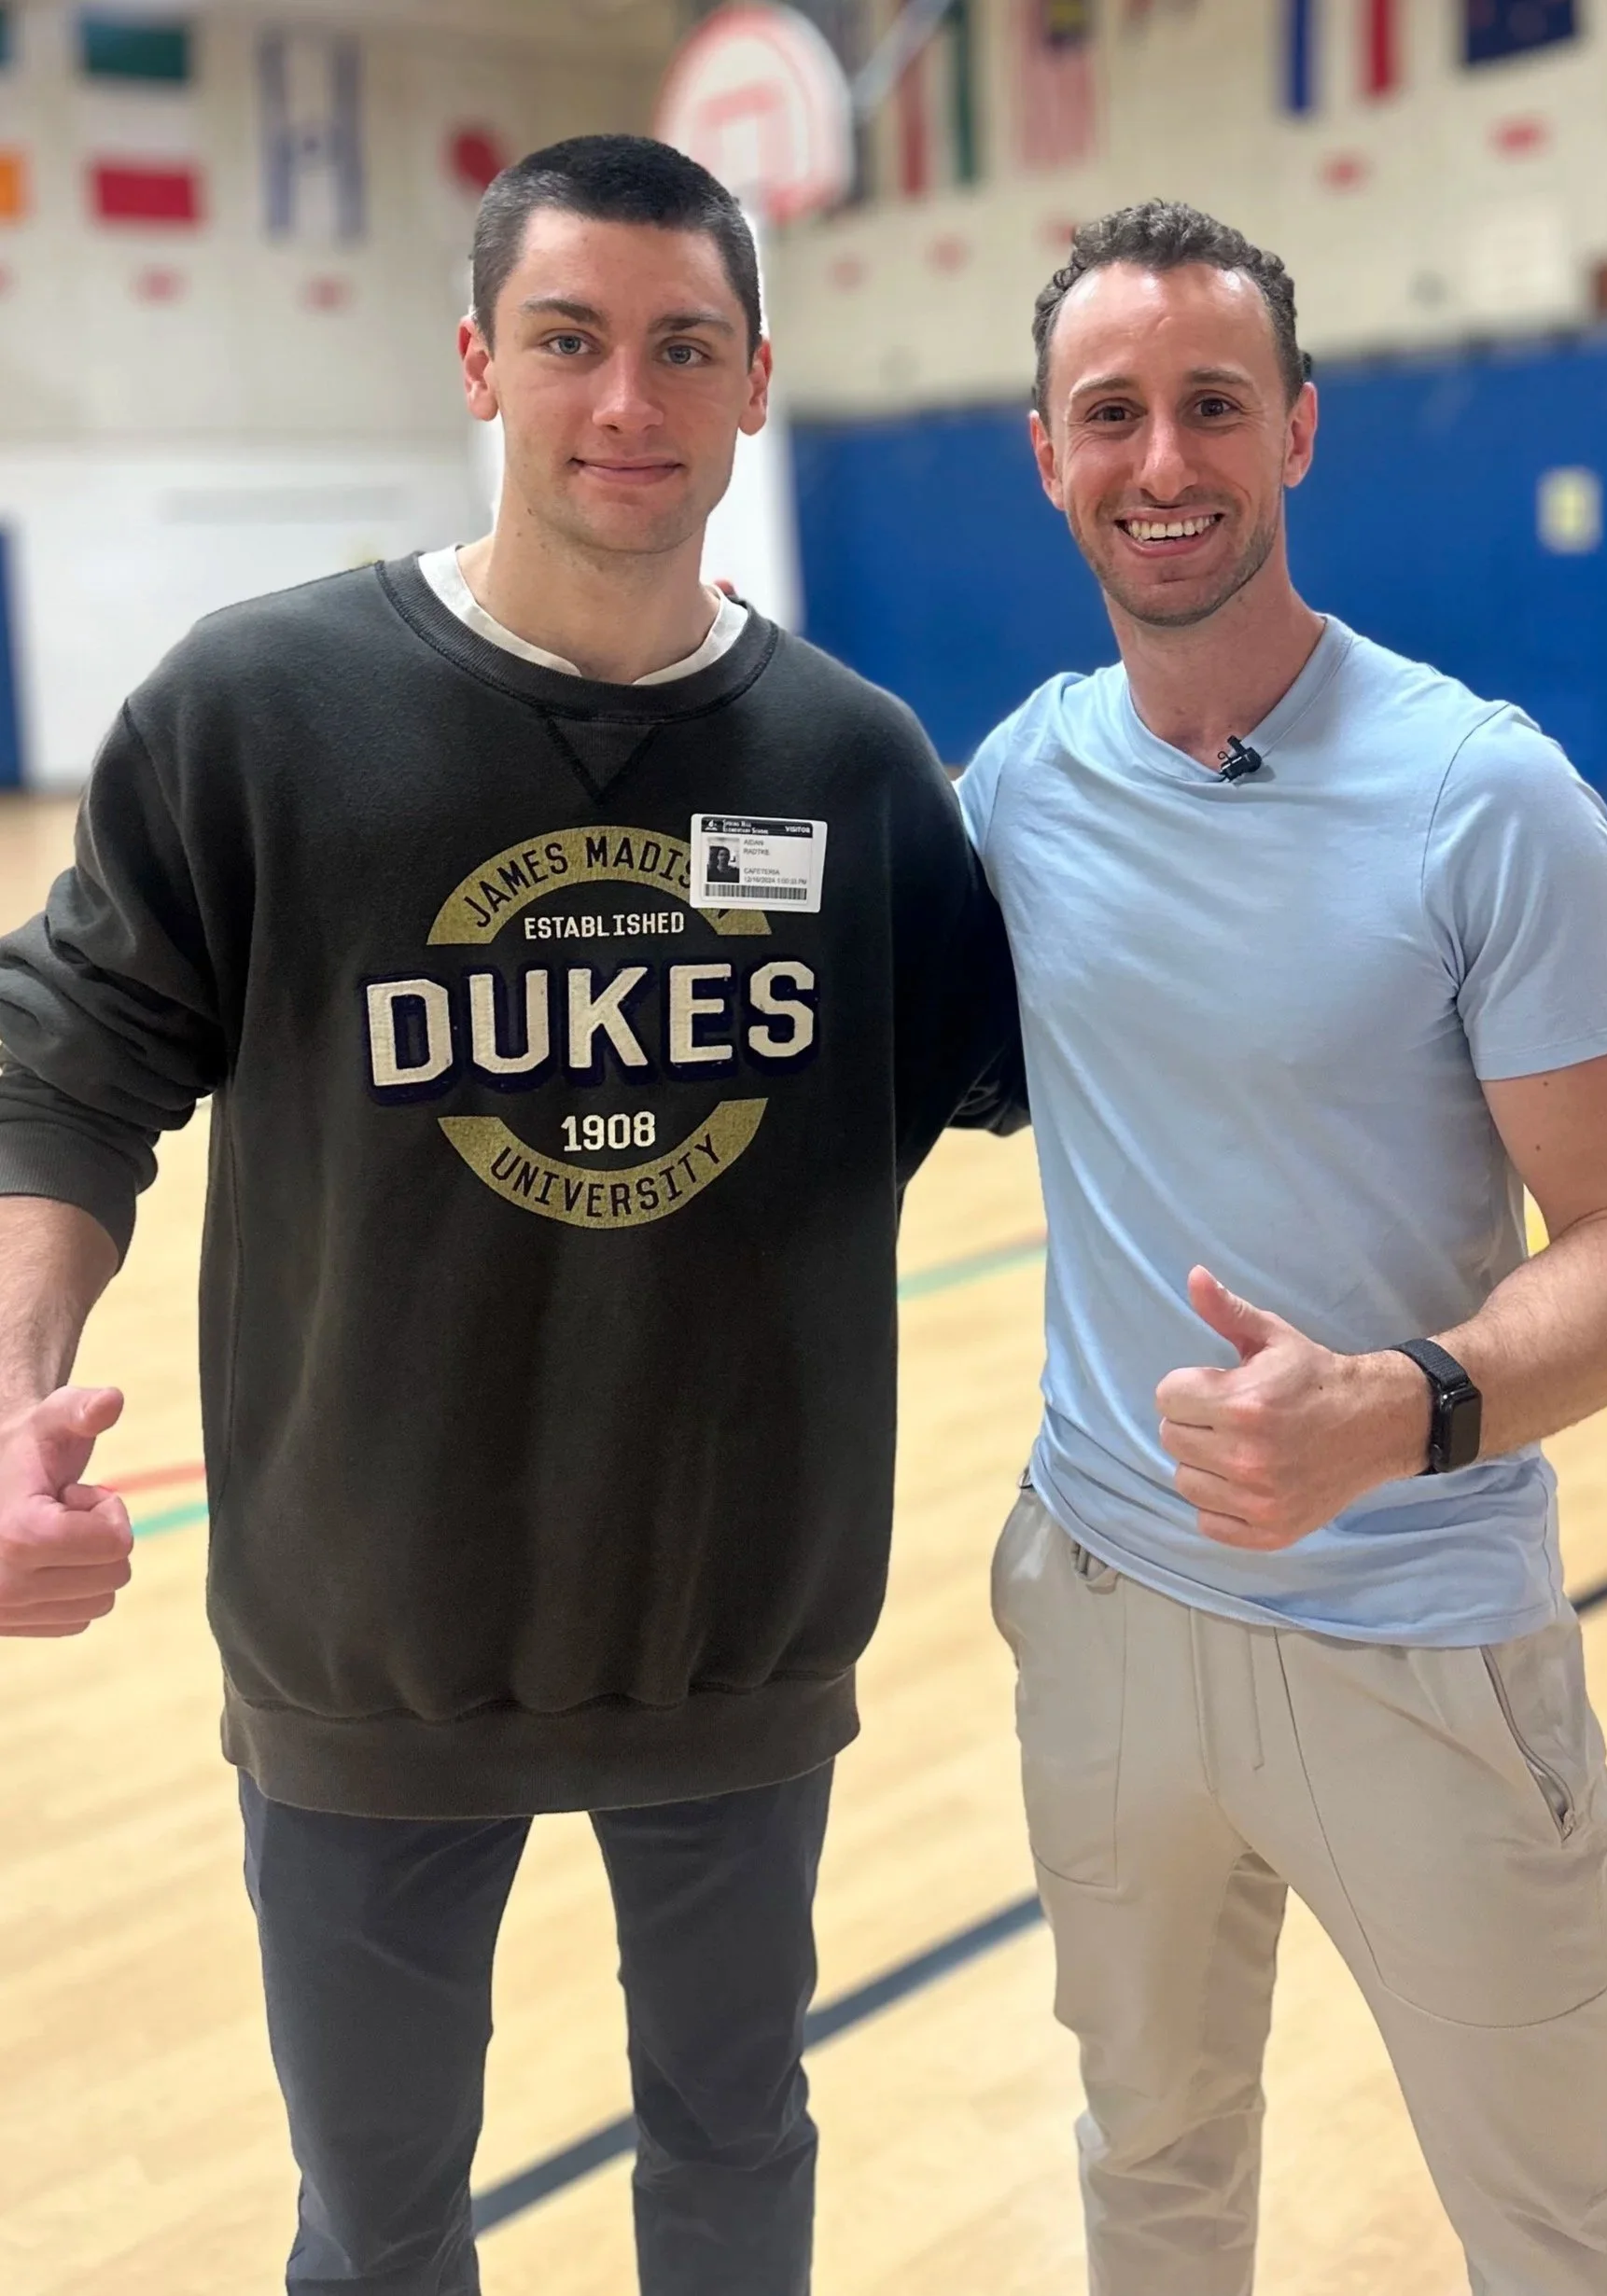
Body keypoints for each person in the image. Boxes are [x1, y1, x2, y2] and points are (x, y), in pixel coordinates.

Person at [0, 135, 1017, 2296]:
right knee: (376, 2230)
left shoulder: (849, 767)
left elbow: (1007, 1076)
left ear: (756, 382)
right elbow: (62, 1074)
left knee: (735, 2154)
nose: (626, 402)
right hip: (366, 1636)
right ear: (477, 360)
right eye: (569, 341)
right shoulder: (259, 714)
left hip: (733, 1639)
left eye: (683, 349)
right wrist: (9, 1398)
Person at [960, 199, 1607, 2295]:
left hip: (1413, 1641)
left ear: (1295, 429)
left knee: (1562, 2229)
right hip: (1103, 1608)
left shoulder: (1483, 799)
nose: (1161, 460)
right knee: (1149, 2170)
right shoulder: (1020, 781)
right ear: (1045, 451)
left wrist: (1401, 1405)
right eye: (1111, 412)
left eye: (1212, 404)